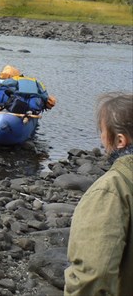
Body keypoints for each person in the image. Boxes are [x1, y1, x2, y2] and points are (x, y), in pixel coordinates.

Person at [64, 92, 133, 296]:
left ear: (120, 140)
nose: (101, 139)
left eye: (102, 131)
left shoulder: (112, 188)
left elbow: (95, 274)